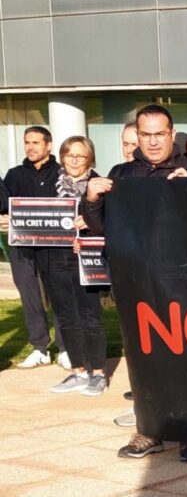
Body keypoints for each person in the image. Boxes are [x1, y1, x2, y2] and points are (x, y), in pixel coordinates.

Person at [82, 104, 187, 463]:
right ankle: (149, 430)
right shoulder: (123, 174)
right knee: (144, 357)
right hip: (139, 281)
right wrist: (92, 200)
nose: (153, 141)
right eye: (146, 134)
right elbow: (103, 227)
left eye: (160, 134)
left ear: (173, 134)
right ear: (136, 136)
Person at [46, 136, 108, 397]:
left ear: (90, 159)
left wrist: (91, 221)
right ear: (62, 157)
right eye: (69, 155)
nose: (74, 160)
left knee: (90, 316)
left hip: (87, 258)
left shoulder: (101, 185)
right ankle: (80, 370)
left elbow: (110, 221)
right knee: (65, 317)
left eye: (80, 156)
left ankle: (99, 374)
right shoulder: (50, 183)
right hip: (56, 258)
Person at [3, 126, 67, 370]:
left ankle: (65, 348)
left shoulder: (62, 173)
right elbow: (4, 205)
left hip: (55, 249)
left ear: (48, 146)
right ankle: (40, 348)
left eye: (36, 142)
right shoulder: (14, 174)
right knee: (30, 299)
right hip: (23, 250)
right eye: (27, 142)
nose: (30, 147)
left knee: (61, 297)